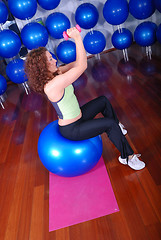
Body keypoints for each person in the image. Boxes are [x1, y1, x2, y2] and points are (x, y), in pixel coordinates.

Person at [25, 27, 145, 171]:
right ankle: (128, 157)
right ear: (42, 66)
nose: (54, 59)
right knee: (109, 124)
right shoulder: (52, 85)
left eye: (51, 56)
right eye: (50, 59)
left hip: (79, 117)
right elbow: (82, 66)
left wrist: (76, 42)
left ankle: (117, 129)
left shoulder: (55, 74)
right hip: (72, 129)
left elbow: (76, 64)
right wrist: (77, 38)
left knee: (103, 101)